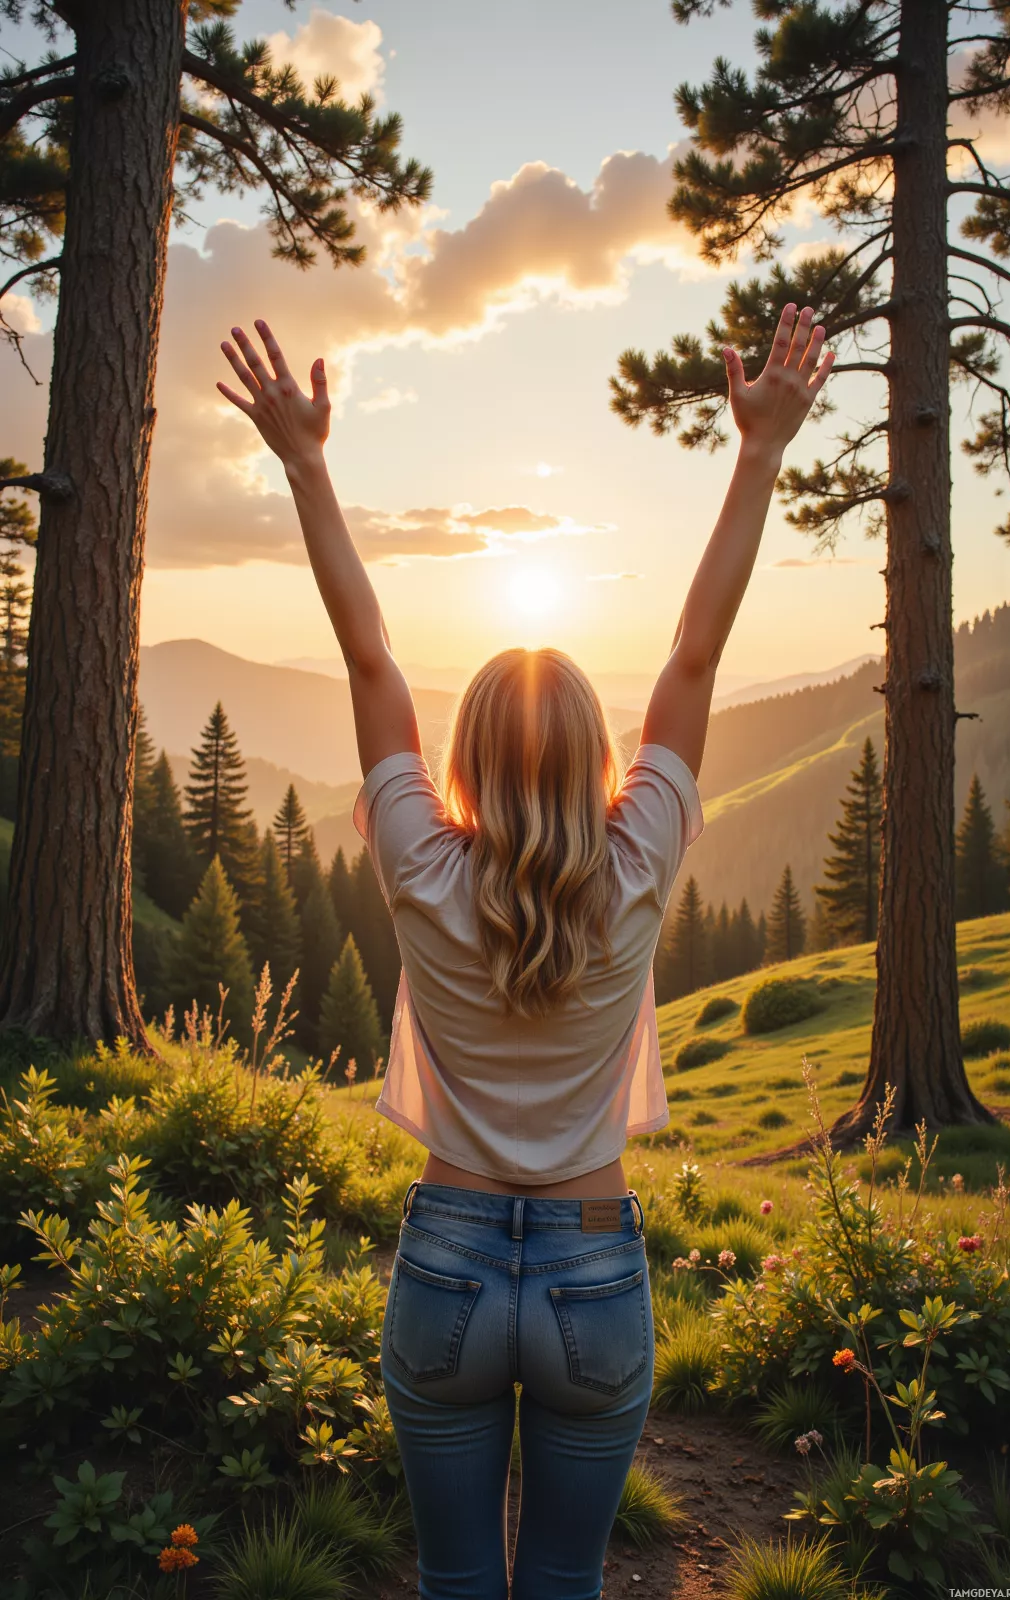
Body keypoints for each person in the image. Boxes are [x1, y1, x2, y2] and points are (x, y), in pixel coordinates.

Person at [217, 303, 833, 1599]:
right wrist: (759, 452)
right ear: (599, 761)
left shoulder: (419, 865)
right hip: (593, 1271)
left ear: (467, 760)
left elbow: (371, 655)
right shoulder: (640, 859)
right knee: (562, 1581)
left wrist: (309, 466)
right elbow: (697, 652)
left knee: (455, 1582)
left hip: (444, 1261)